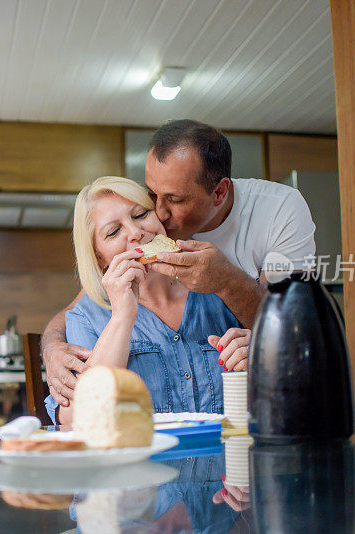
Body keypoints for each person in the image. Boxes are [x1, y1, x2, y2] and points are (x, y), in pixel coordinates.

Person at [43, 120, 316, 408]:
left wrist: (260, 346)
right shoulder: (95, 312)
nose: (159, 214)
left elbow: (293, 328)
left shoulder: (278, 212)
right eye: (151, 196)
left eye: (172, 200)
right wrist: (51, 347)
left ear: (219, 193)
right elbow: (87, 302)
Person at [45, 176, 250, 425]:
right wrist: (122, 315)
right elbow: (79, 419)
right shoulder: (85, 318)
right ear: (99, 258)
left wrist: (260, 358)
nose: (135, 232)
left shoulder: (218, 287)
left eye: (141, 214)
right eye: (113, 231)